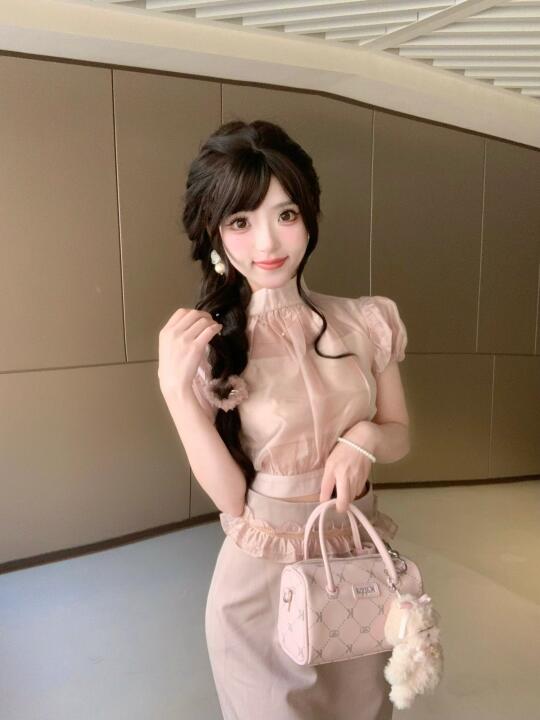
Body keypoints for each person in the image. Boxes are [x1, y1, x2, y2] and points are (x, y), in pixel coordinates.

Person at [158, 120, 410, 720]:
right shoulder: (211, 346)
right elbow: (231, 500)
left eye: (286, 214)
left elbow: (399, 434)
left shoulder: (366, 321)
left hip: (354, 562)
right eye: (240, 222)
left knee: (363, 707)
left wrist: (365, 438)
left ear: (309, 217)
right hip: (261, 584)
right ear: (215, 233)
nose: (267, 242)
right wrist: (176, 392)